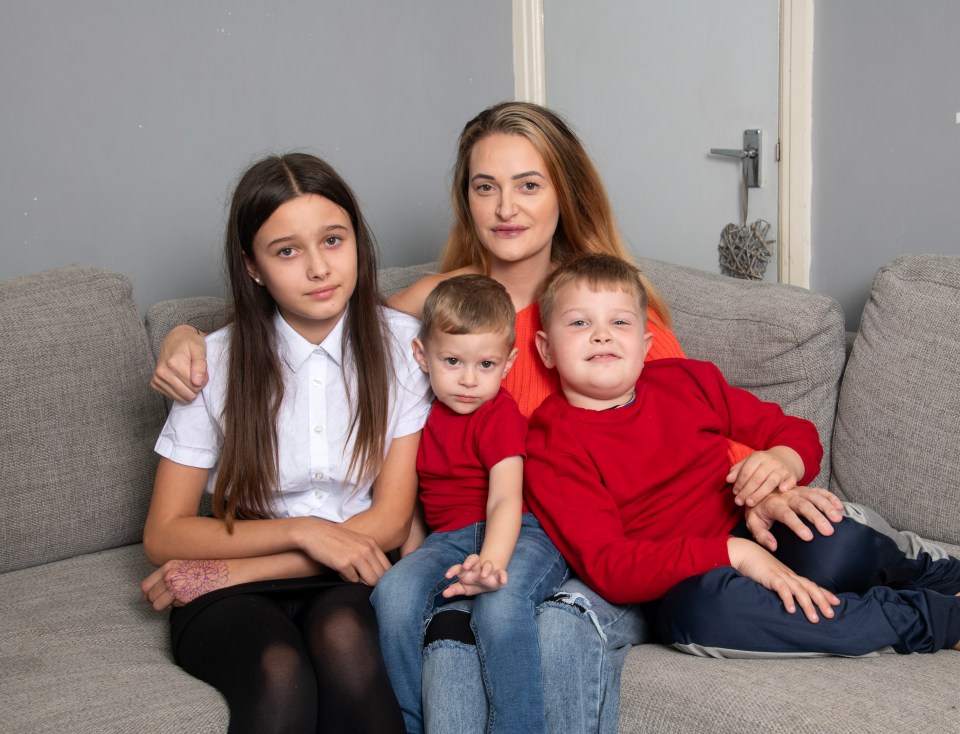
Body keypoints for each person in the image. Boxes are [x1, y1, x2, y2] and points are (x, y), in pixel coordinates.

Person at [148, 102, 846, 732]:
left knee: (526, 629)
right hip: (465, 538)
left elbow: (681, 440)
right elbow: (321, 326)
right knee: (426, 637)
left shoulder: (612, 320)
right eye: (485, 187)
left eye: (528, 185)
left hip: (583, 547)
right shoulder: (435, 312)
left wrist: (772, 480)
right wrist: (188, 336)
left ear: (564, 194)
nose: (505, 207)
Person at [526, 253, 960, 656]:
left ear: (644, 344)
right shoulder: (552, 442)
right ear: (546, 349)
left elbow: (793, 431)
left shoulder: (686, 380)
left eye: (619, 322)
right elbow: (611, 566)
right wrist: (733, 552)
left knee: (828, 541)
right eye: (579, 323)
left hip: (757, 526)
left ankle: (928, 573)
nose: (601, 334)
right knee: (706, 615)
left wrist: (783, 460)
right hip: (687, 580)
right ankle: (931, 618)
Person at [139, 153, 433, 734]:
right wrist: (303, 530)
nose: (320, 268)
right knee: (277, 671)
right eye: (287, 251)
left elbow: (392, 522)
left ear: (358, 242)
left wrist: (243, 569)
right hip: (236, 574)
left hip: (340, 571)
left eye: (333, 240)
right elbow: (164, 534)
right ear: (253, 267)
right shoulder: (213, 362)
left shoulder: (405, 349)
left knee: (346, 644)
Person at [371, 274, 568, 734]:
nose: (467, 380)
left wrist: (493, 563)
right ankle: (409, 722)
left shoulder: (499, 414)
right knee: (392, 595)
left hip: (520, 532)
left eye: (485, 365)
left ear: (508, 364)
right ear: (422, 356)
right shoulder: (416, 413)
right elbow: (416, 505)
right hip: (447, 542)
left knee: (500, 605)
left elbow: (504, 499)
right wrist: (413, 563)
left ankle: (518, 727)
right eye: (453, 361)